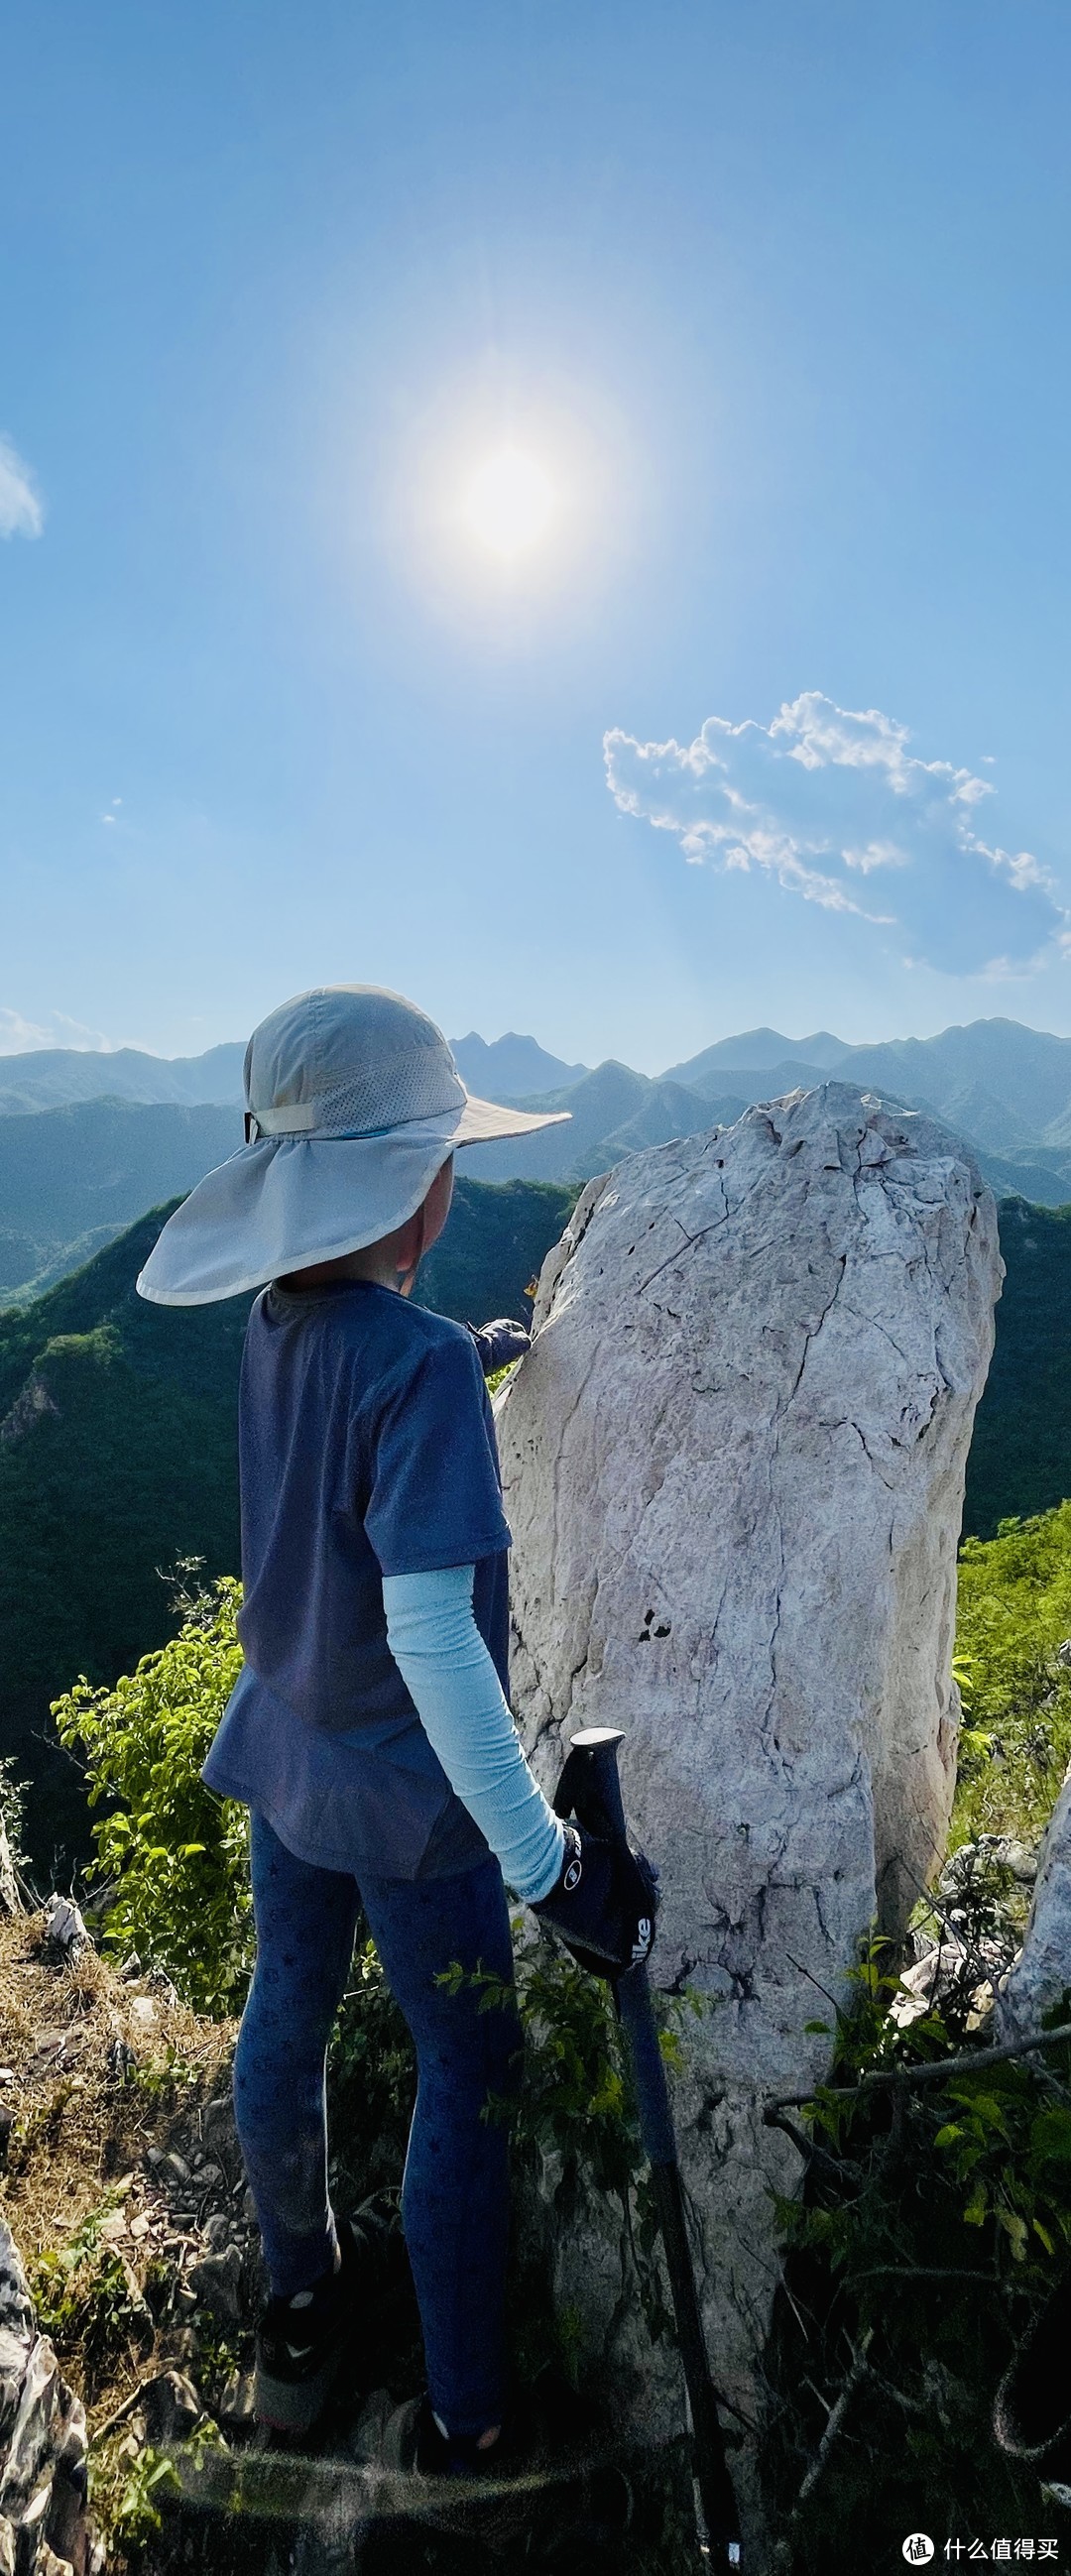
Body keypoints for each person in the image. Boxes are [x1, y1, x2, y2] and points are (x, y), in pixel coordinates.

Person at [137, 984, 657, 2474]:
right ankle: (470, 2415)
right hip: (412, 1806)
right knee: (465, 2068)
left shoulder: (275, 1317)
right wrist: (552, 1865)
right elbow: (435, 1642)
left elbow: (339, 1442)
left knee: (285, 2010)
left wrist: (464, 1357)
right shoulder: (416, 1367)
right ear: (422, 1185)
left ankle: (300, 2299)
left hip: (281, 1740)